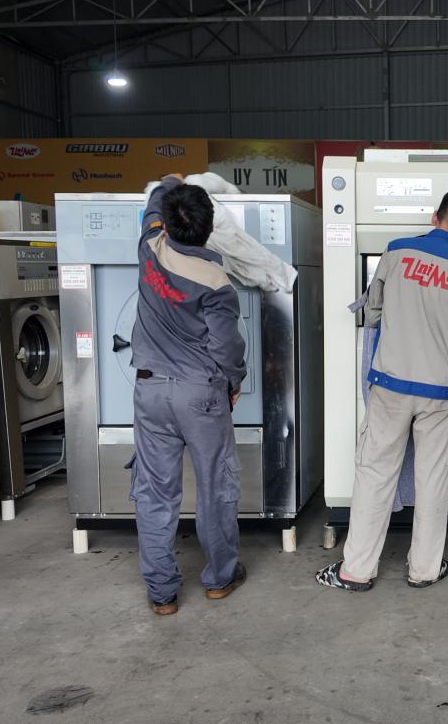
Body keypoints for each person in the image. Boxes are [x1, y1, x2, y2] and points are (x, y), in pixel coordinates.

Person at [316, 190, 448, 591]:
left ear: (434, 217)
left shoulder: (395, 252)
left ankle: (355, 572)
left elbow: (373, 313)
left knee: (375, 475)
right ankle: (424, 571)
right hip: (440, 393)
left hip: (391, 386)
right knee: (432, 480)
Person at [130, 173, 248, 615]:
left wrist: (169, 179)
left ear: (167, 222)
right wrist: (234, 382)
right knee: (215, 487)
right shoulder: (217, 281)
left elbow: (153, 206)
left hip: (150, 390)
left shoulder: (150, 248)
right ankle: (219, 578)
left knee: (155, 493)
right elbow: (227, 348)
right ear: (209, 226)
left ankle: (162, 593)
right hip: (201, 395)